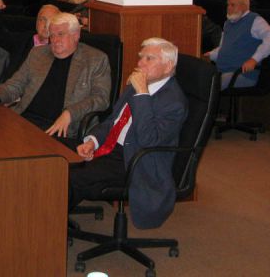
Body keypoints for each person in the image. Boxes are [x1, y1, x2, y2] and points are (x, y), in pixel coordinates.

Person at [68, 37, 188, 229]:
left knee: (71, 176)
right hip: (111, 146)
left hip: (135, 159)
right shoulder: (136, 85)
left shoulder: (173, 102)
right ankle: (51, 218)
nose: (140, 63)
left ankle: (50, 228)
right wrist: (93, 141)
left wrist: (142, 94)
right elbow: (113, 121)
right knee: (55, 159)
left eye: (149, 59)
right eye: (141, 57)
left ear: (168, 66)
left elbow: (149, 140)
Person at [0, 13, 110, 138]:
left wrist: (70, 113)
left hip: (59, 129)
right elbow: (16, 83)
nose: (55, 40)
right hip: (25, 120)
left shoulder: (95, 60)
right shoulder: (38, 53)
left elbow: (101, 98)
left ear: (76, 35)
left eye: (60, 34)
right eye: (52, 35)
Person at [206, 0, 270, 89]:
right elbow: (223, 48)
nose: (228, 8)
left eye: (232, 5)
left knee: (209, 86)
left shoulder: (254, 20)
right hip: (222, 71)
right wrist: (210, 55)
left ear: (244, 6)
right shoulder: (228, 23)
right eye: (228, 5)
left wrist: (254, 60)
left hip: (241, 74)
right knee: (198, 79)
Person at [0, 4, 60, 79]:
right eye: (43, 19)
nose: (46, 25)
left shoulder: (60, 50)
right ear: (37, 22)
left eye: (52, 21)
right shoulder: (23, 40)